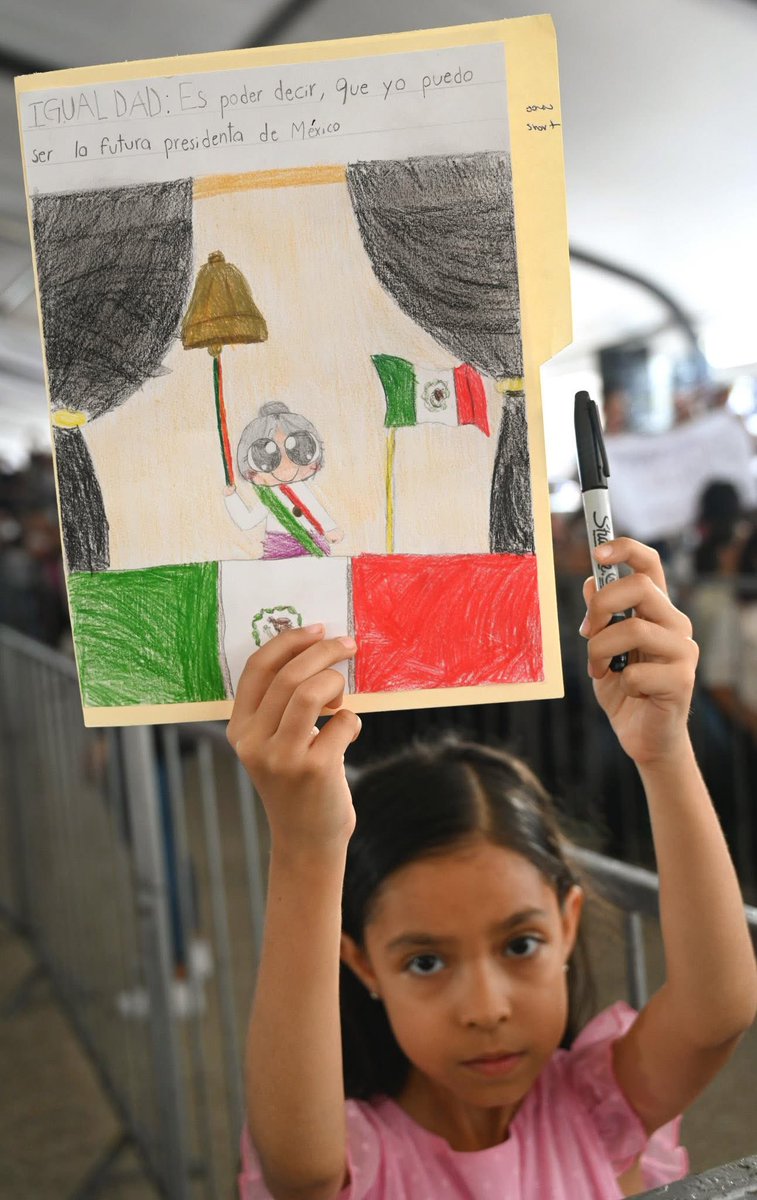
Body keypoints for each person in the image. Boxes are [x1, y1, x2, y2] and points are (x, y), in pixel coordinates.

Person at [227, 538, 757, 1200]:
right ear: (362, 964)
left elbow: (717, 1013)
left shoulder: (592, 1110)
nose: (485, 1009)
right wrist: (306, 848)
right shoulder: (359, 1161)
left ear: (567, 925)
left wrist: (664, 749)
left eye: (518, 944)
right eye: (425, 961)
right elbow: (298, 1174)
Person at [224, 401, 344, 559]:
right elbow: (247, 522)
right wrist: (231, 497)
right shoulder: (269, 496)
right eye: (268, 457)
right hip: (278, 553)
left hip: (312, 549)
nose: (285, 463)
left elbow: (314, 509)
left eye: (297, 451)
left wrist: (329, 528)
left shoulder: (300, 489)